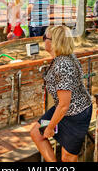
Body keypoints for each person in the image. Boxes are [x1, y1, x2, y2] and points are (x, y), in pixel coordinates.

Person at [30, 25, 93, 162]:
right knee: (37, 132)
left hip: (76, 116)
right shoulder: (62, 57)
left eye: (44, 37)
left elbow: (64, 105)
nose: (43, 41)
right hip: (62, 112)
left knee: (68, 157)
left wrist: (51, 127)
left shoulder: (63, 65)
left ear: (54, 42)